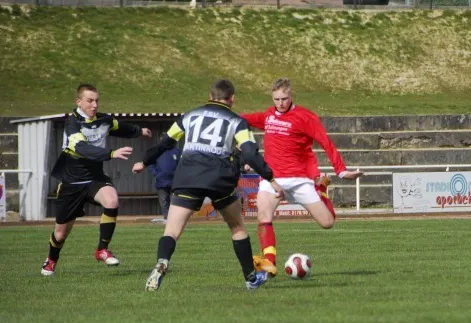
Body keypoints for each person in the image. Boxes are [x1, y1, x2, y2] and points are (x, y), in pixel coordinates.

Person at [132, 79, 284, 292]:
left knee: (172, 230)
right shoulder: (237, 121)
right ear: (232, 99)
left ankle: (162, 262)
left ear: (210, 96)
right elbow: (250, 153)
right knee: (237, 227)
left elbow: (165, 143)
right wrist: (270, 178)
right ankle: (250, 278)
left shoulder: (189, 116)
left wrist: (145, 161)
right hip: (218, 179)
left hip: (187, 177)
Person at [241, 78, 363, 277]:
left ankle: (321, 189)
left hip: (299, 179)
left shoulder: (305, 117)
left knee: (327, 222)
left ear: (291, 96)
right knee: (263, 215)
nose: (280, 103)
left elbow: (325, 142)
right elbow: (243, 119)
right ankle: (269, 263)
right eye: (276, 99)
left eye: (284, 99)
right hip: (272, 179)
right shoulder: (268, 115)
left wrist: (341, 170)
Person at [41, 83, 152, 276]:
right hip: (72, 182)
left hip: (94, 178)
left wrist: (140, 131)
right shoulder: (72, 124)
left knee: (112, 200)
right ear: (79, 101)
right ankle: (51, 260)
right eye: (90, 101)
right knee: (60, 233)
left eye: (97, 101)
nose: (94, 105)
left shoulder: (104, 120)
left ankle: (102, 250)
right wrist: (111, 153)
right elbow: (83, 149)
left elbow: (121, 127)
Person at [148, 146, 182, 223]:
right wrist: (156, 174)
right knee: (163, 201)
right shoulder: (156, 151)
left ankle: (175, 219)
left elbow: (181, 165)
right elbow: (150, 164)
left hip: (175, 182)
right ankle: (167, 219)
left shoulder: (177, 151)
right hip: (161, 182)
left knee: (175, 201)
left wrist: (177, 175)